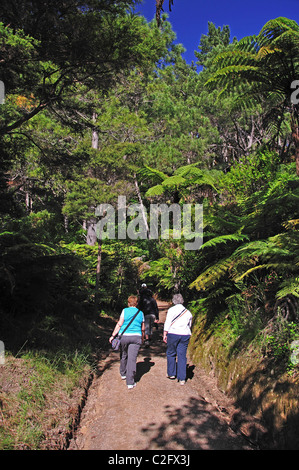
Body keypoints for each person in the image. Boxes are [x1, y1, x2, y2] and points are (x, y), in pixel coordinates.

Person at [109, 296, 145, 389]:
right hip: (136, 337)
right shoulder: (141, 313)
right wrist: (143, 338)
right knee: (132, 359)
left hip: (124, 336)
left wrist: (113, 335)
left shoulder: (124, 311)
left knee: (124, 354)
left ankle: (123, 373)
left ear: (128, 303)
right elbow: (143, 328)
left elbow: (119, 324)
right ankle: (130, 382)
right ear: (136, 303)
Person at [163, 294, 192, 385]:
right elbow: (189, 325)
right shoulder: (188, 312)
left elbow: (168, 322)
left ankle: (171, 373)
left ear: (174, 301)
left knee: (171, 353)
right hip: (184, 334)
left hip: (173, 333)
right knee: (182, 355)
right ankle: (182, 378)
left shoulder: (171, 310)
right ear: (182, 300)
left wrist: (165, 333)